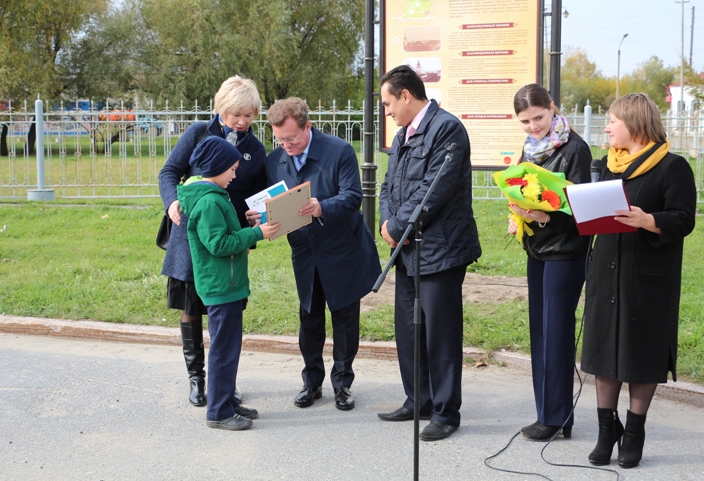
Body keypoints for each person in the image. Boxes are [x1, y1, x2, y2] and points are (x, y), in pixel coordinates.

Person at [581, 93, 696, 468]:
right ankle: (605, 430)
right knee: (602, 352)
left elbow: (683, 218)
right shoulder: (605, 166)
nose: (608, 127)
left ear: (634, 123)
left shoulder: (672, 167)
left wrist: (650, 221)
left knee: (641, 353)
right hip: (606, 271)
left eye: (613, 120)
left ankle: (634, 433)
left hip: (648, 278)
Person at [377, 65, 481, 441]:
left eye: (389, 102)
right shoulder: (403, 133)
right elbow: (389, 185)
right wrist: (387, 223)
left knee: (440, 334)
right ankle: (416, 400)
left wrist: (400, 225)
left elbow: (434, 191)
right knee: (408, 330)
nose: (386, 111)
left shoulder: (447, 129)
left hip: (441, 250)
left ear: (406, 95)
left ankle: (445, 412)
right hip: (405, 249)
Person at [263, 97, 381, 411]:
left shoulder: (339, 151)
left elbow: (353, 196)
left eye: (292, 138)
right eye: (280, 139)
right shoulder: (274, 160)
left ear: (308, 126)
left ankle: (342, 385)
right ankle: (311, 383)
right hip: (304, 251)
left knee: (344, 318)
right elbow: (269, 200)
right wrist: (259, 216)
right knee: (309, 318)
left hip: (341, 249)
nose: (286, 145)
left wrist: (321, 207)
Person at [158, 75, 267, 407]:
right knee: (192, 307)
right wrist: (172, 201)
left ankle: (224, 385)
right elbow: (169, 172)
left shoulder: (255, 148)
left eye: (249, 115)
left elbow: (256, 195)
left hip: (227, 240)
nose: (242, 121)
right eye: (236, 114)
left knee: (226, 314)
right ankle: (197, 378)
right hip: (191, 234)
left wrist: (253, 215)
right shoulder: (198, 133)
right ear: (222, 108)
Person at [506, 83, 592, 441]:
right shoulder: (530, 148)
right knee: (540, 331)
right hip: (537, 250)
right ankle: (550, 413)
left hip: (567, 250)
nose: (533, 127)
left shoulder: (576, 149)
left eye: (538, 118)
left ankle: (556, 417)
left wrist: (542, 218)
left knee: (556, 333)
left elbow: (585, 210)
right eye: (525, 121)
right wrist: (519, 215)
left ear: (553, 108)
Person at [176, 136, 280, 430]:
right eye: (232, 169)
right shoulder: (209, 201)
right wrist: (257, 233)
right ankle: (219, 412)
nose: (235, 175)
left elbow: (225, 231)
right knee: (222, 351)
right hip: (221, 286)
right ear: (217, 167)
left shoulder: (215, 195)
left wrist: (246, 224)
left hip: (228, 284)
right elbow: (219, 244)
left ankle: (227, 401)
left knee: (229, 348)